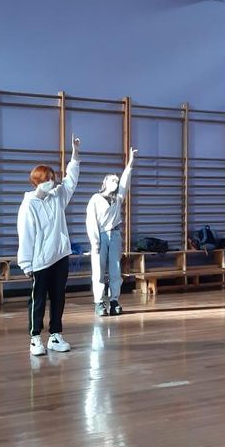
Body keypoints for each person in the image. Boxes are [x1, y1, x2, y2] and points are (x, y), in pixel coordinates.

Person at [18, 135, 80, 356]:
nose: (51, 182)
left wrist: (74, 154)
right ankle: (35, 338)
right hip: (40, 261)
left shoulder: (58, 196)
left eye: (53, 178)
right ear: (36, 181)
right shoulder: (28, 206)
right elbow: (25, 235)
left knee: (59, 298)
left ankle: (55, 335)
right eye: (47, 179)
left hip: (60, 256)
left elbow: (71, 181)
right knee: (38, 300)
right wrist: (26, 264)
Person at [86, 148, 136, 316]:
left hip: (114, 235)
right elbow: (91, 221)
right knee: (98, 270)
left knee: (115, 269)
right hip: (100, 236)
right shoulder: (95, 199)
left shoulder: (117, 199)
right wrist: (95, 242)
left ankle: (114, 300)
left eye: (116, 180)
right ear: (105, 182)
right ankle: (99, 303)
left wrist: (130, 163)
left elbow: (125, 182)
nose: (116, 182)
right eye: (112, 180)